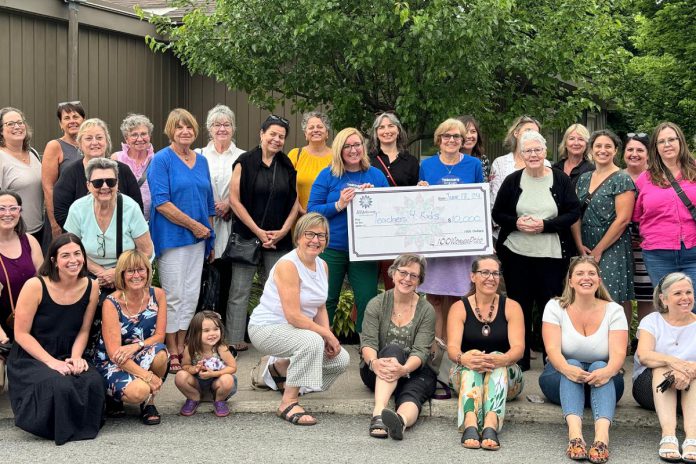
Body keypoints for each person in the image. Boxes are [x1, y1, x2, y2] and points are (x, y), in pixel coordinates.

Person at [248, 213, 349, 425]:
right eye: (309, 234)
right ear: (298, 237)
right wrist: (325, 334)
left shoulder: (323, 266)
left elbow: (320, 306)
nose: (315, 240)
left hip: (298, 332)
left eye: (321, 235)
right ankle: (288, 402)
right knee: (312, 342)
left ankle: (279, 370)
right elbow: (293, 315)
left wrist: (328, 337)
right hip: (267, 328)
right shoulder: (288, 265)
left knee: (341, 358)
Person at [492, 130, 581, 370]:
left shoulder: (560, 179)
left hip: (551, 256)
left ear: (545, 152)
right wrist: (516, 223)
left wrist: (545, 226)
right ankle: (518, 360)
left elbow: (574, 212)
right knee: (518, 306)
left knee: (549, 306)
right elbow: (498, 213)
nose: (533, 155)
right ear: (520, 154)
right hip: (517, 254)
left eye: (537, 150)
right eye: (528, 151)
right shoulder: (513, 180)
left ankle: (551, 359)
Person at [6, 233, 104, 445]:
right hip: (32, 355)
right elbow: (20, 334)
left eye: (78, 254)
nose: (73, 260)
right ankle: (53, 427)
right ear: (54, 260)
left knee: (92, 380)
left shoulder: (91, 286)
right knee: (59, 384)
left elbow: (84, 330)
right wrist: (51, 362)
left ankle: (79, 427)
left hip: (69, 350)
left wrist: (76, 358)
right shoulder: (35, 285)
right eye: (65, 255)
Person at [539, 256, 628, 464]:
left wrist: (606, 372)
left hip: (604, 382)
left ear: (598, 279)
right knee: (572, 364)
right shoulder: (555, 307)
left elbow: (618, 356)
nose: (585, 278)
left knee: (600, 364)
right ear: (570, 281)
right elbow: (552, 350)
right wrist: (568, 369)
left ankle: (601, 437)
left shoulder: (614, 310)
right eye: (579, 273)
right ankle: (575, 435)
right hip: (560, 378)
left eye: (591, 273)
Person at [148, 108, 215, 372]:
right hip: (172, 237)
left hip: (199, 239)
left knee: (190, 294)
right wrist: (194, 226)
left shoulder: (201, 160)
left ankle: (184, 343)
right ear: (171, 131)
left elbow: (208, 202)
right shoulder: (161, 160)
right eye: (179, 127)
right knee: (174, 294)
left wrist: (208, 236)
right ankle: (171, 346)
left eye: (189, 127)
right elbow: (161, 202)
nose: (185, 132)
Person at [227, 115, 299, 351]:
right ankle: (234, 340)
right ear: (262, 133)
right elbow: (235, 201)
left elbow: (295, 203)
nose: (277, 140)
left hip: (278, 238)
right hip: (248, 236)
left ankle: (274, 339)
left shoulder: (287, 165)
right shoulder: (244, 162)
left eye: (281, 136)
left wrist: (283, 231)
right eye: (273, 134)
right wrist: (258, 231)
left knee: (278, 292)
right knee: (240, 290)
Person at [307, 128, 388, 331]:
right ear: (339, 150)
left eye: (357, 145)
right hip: (333, 247)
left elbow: (390, 211)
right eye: (347, 146)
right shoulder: (328, 175)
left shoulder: (376, 176)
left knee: (367, 300)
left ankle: (367, 351)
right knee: (327, 299)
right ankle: (323, 345)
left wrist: (376, 198)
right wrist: (339, 204)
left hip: (365, 250)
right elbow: (312, 210)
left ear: (363, 147)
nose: (353, 150)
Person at [447, 255, 525, 450]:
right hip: (467, 374)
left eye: (495, 273)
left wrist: (500, 359)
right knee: (472, 358)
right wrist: (465, 358)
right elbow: (452, 349)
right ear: (473, 276)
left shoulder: (512, 306)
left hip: (507, 378)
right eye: (484, 272)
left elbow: (518, 349)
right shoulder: (459, 308)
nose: (491, 278)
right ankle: (470, 422)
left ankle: (491, 423)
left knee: (498, 359)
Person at [418, 118, 484, 340]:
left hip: (462, 243)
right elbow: (421, 204)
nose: (452, 140)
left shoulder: (474, 165)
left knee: (460, 297)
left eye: (457, 136)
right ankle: (435, 347)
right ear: (439, 139)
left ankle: (454, 348)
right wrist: (421, 191)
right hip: (435, 241)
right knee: (434, 297)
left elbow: (480, 200)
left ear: (463, 140)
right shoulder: (426, 165)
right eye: (447, 136)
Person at [360, 254, 436, 440]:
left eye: (413, 275)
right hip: (378, 369)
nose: (407, 279)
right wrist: (374, 363)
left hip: (412, 369)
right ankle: (379, 413)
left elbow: (421, 350)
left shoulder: (427, 310)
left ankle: (400, 421)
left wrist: (404, 369)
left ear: (420, 281)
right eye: (403, 272)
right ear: (393, 274)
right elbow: (368, 343)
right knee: (393, 350)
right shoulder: (376, 304)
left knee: (414, 393)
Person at [92, 250, 168, 424]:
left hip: (140, 351)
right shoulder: (111, 302)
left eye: (141, 270)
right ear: (122, 274)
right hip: (112, 360)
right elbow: (114, 353)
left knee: (161, 355)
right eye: (130, 271)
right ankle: (116, 395)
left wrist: (137, 345)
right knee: (139, 390)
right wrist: (147, 377)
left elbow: (159, 336)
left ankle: (149, 403)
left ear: (148, 272)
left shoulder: (158, 295)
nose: (136, 275)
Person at [64, 158, 153, 293]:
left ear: (117, 185)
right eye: (98, 182)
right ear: (88, 185)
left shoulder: (130, 208)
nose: (105, 187)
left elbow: (146, 251)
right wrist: (101, 273)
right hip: (87, 271)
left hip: (126, 273)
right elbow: (70, 250)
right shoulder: (78, 209)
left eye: (111, 182)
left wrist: (118, 272)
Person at [633, 272, 696, 462]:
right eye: (678, 293)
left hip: (689, 389)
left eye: (688, 292)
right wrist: (673, 363)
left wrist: (689, 370)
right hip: (651, 389)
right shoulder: (651, 321)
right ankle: (668, 436)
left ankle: (692, 438)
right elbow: (644, 355)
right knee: (661, 369)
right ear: (664, 298)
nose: (685, 298)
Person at [572, 130, 635, 307]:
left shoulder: (622, 179)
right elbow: (575, 213)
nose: (603, 150)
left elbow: (623, 220)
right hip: (585, 243)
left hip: (612, 245)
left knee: (614, 297)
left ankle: (621, 335)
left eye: (608, 146)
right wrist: (579, 245)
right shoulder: (584, 178)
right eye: (598, 146)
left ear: (616, 151)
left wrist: (598, 250)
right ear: (591, 150)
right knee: (587, 295)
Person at [632, 122, 696, 293]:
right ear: (656, 147)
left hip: (693, 250)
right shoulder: (644, 179)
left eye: (671, 139)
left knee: (692, 304)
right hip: (658, 253)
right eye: (661, 141)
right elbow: (636, 216)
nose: (667, 145)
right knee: (668, 305)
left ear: (681, 142)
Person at [197, 104, 244, 321]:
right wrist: (211, 204)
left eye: (226, 124)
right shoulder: (198, 155)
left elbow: (248, 191)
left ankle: (223, 327)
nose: (221, 129)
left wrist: (229, 204)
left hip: (232, 225)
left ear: (233, 128)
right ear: (209, 128)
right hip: (204, 224)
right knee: (202, 280)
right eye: (217, 124)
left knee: (228, 280)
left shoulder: (243, 156)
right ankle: (200, 328)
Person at [53, 118, 143, 228]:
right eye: (89, 138)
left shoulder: (123, 171)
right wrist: (90, 231)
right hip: (82, 239)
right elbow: (61, 213)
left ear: (107, 141)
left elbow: (137, 208)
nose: (95, 142)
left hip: (120, 236)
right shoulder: (70, 173)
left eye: (99, 137)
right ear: (80, 143)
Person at [368, 112, 419, 291]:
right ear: (375, 133)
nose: (386, 130)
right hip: (371, 229)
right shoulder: (366, 160)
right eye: (381, 127)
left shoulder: (411, 161)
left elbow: (416, 198)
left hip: (400, 230)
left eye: (391, 126)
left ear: (398, 130)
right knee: (366, 284)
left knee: (397, 280)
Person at [175, 311, 238, 417]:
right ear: (196, 333)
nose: (212, 333)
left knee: (228, 379)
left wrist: (213, 374)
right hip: (197, 384)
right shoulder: (191, 347)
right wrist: (194, 369)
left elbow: (233, 367)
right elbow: (185, 366)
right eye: (206, 331)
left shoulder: (221, 348)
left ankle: (219, 400)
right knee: (180, 376)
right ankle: (194, 397)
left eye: (216, 329)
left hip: (217, 384)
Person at [0, 190, 43, 343]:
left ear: (20, 211)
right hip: (4, 328)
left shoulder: (30, 241)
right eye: (1, 208)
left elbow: (44, 281)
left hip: (33, 321)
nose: (7, 213)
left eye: (13, 208)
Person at [42, 101, 85, 239]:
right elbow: (48, 187)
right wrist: (55, 223)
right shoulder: (55, 146)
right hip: (63, 216)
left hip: (85, 217)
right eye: (66, 118)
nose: (72, 121)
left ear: (84, 120)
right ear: (61, 124)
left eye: (76, 117)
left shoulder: (90, 145)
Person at [0, 107, 43, 244]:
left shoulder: (33, 153)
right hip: (13, 234)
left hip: (39, 230)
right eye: (10, 124)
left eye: (20, 122)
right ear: (1, 131)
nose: (17, 127)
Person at [623, 133, 654, 323]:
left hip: (647, 244)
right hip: (618, 243)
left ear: (649, 154)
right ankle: (622, 341)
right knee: (621, 291)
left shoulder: (656, 177)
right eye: (630, 149)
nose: (634, 154)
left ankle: (643, 339)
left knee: (647, 294)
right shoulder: (614, 175)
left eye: (640, 150)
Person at [489, 115, 549, 212]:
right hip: (507, 221)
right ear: (516, 133)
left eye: (535, 132)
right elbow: (494, 199)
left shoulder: (545, 163)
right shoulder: (500, 163)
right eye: (528, 130)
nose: (531, 135)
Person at [111, 114, 156, 220]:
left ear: (149, 136)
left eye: (144, 134)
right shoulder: (116, 158)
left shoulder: (157, 160)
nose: (140, 139)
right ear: (126, 139)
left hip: (150, 220)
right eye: (134, 135)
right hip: (123, 218)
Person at [288, 111, 333, 214]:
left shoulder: (337, 157)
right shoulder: (295, 155)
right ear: (305, 134)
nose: (315, 130)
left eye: (320, 127)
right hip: (300, 218)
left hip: (329, 219)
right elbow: (287, 187)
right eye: (311, 127)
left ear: (327, 133)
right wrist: (301, 212)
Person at [457, 115, 490, 179]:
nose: (469, 136)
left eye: (473, 131)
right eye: (465, 132)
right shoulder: (445, 159)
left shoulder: (483, 160)